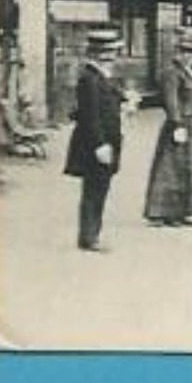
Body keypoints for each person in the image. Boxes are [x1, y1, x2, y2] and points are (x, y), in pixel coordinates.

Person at [63, 29, 127, 252]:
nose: (113, 58)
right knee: (93, 190)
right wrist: (100, 144)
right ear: (99, 55)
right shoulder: (89, 79)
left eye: (113, 52)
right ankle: (89, 237)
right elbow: (90, 116)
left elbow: (112, 103)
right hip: (96, 144)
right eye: (109, 53)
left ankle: (92, 235)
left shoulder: (101, 77)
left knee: (100, 188)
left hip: (106, 142)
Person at [143, 27, 192, 227]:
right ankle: (164, 212)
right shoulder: (171, 73)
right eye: (187, 52)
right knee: (172, 170)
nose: (191, 57)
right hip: (180, 126)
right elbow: (171, 101)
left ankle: (183, 211)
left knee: (189, 169)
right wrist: (177, 124)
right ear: (179, 52)